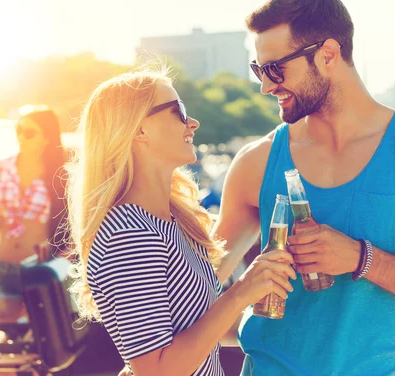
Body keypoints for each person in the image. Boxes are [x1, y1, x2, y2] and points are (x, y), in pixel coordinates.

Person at [213, 0, 395, 376]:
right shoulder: (257, 161)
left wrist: (359, 258)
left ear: (329, 54)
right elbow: (203, 281)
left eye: (274, 69)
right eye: (259, 71)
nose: (266, 85)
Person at [66, 68, 296, 376]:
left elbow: (194, 333)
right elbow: (157, 370)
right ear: (138, 129)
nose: (193, 122)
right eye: (178, 111)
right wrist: (241, 292)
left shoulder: (169, 222)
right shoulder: (128, 233)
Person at [0, 106, 69, 325]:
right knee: (5, 330)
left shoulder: (60, 175)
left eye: (29, 133)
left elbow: (74, 226)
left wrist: (61, 264)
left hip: (41, 266)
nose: (21, 136)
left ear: (47, 138)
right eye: (18, 130)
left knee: (41, 334)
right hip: (4, 262)